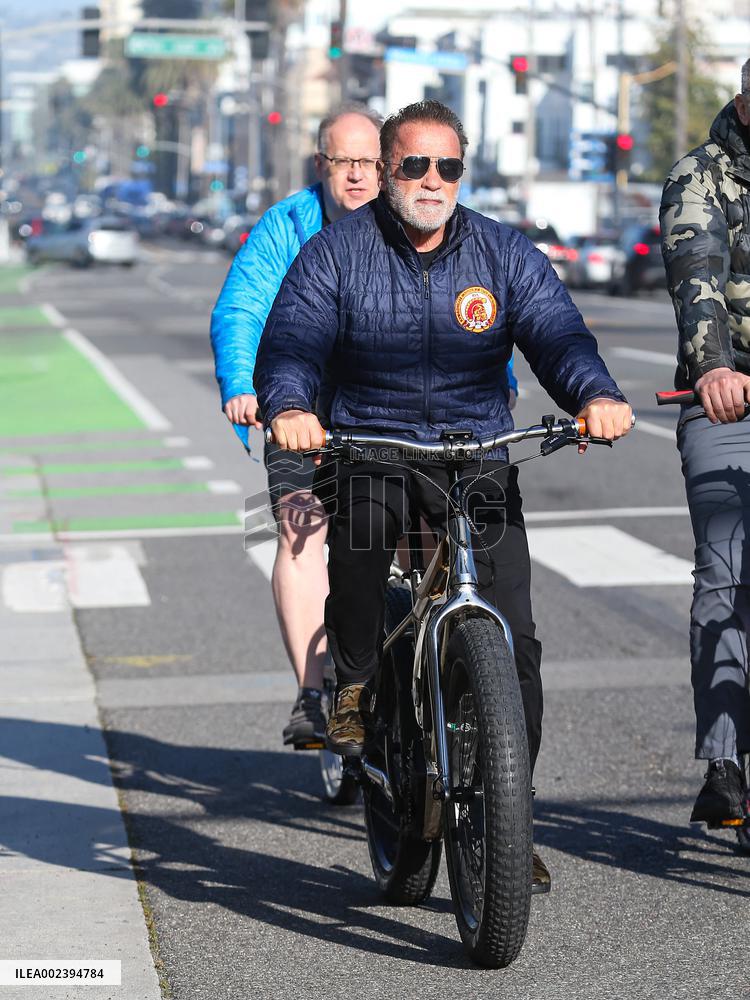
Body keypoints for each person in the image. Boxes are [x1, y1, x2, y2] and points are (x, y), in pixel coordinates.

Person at [255, 99, 632, 890]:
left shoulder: (502, 252)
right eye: (414, 166)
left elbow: (557, 335)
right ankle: (353, 683)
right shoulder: (336, 253)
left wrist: (594, 393)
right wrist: (291, 407)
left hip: (475, 449)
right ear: (387, 171)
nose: (433, 181)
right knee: (357, 549)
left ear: (465, 171)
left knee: (516, 641)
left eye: (449, 166)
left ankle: (505, 816)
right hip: (371, 440)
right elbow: (291, 340)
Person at [210, 104, 383, 748]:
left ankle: (435, 661)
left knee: (432, 532)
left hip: (389, 411)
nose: (361, 177)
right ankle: (313, 694)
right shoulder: (285, 225)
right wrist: (241, 385)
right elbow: (241, 308)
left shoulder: (412, 224)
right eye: (346, 163)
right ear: (322, 165)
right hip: (296, 411)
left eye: (372, 162)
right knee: (297, 528)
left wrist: (497, 384)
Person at [660, 59, 750, 825]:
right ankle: (724, 763)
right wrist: (714, 368)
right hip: (731, 401)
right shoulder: (702, 176)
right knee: (725, 569)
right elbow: (698, 275)